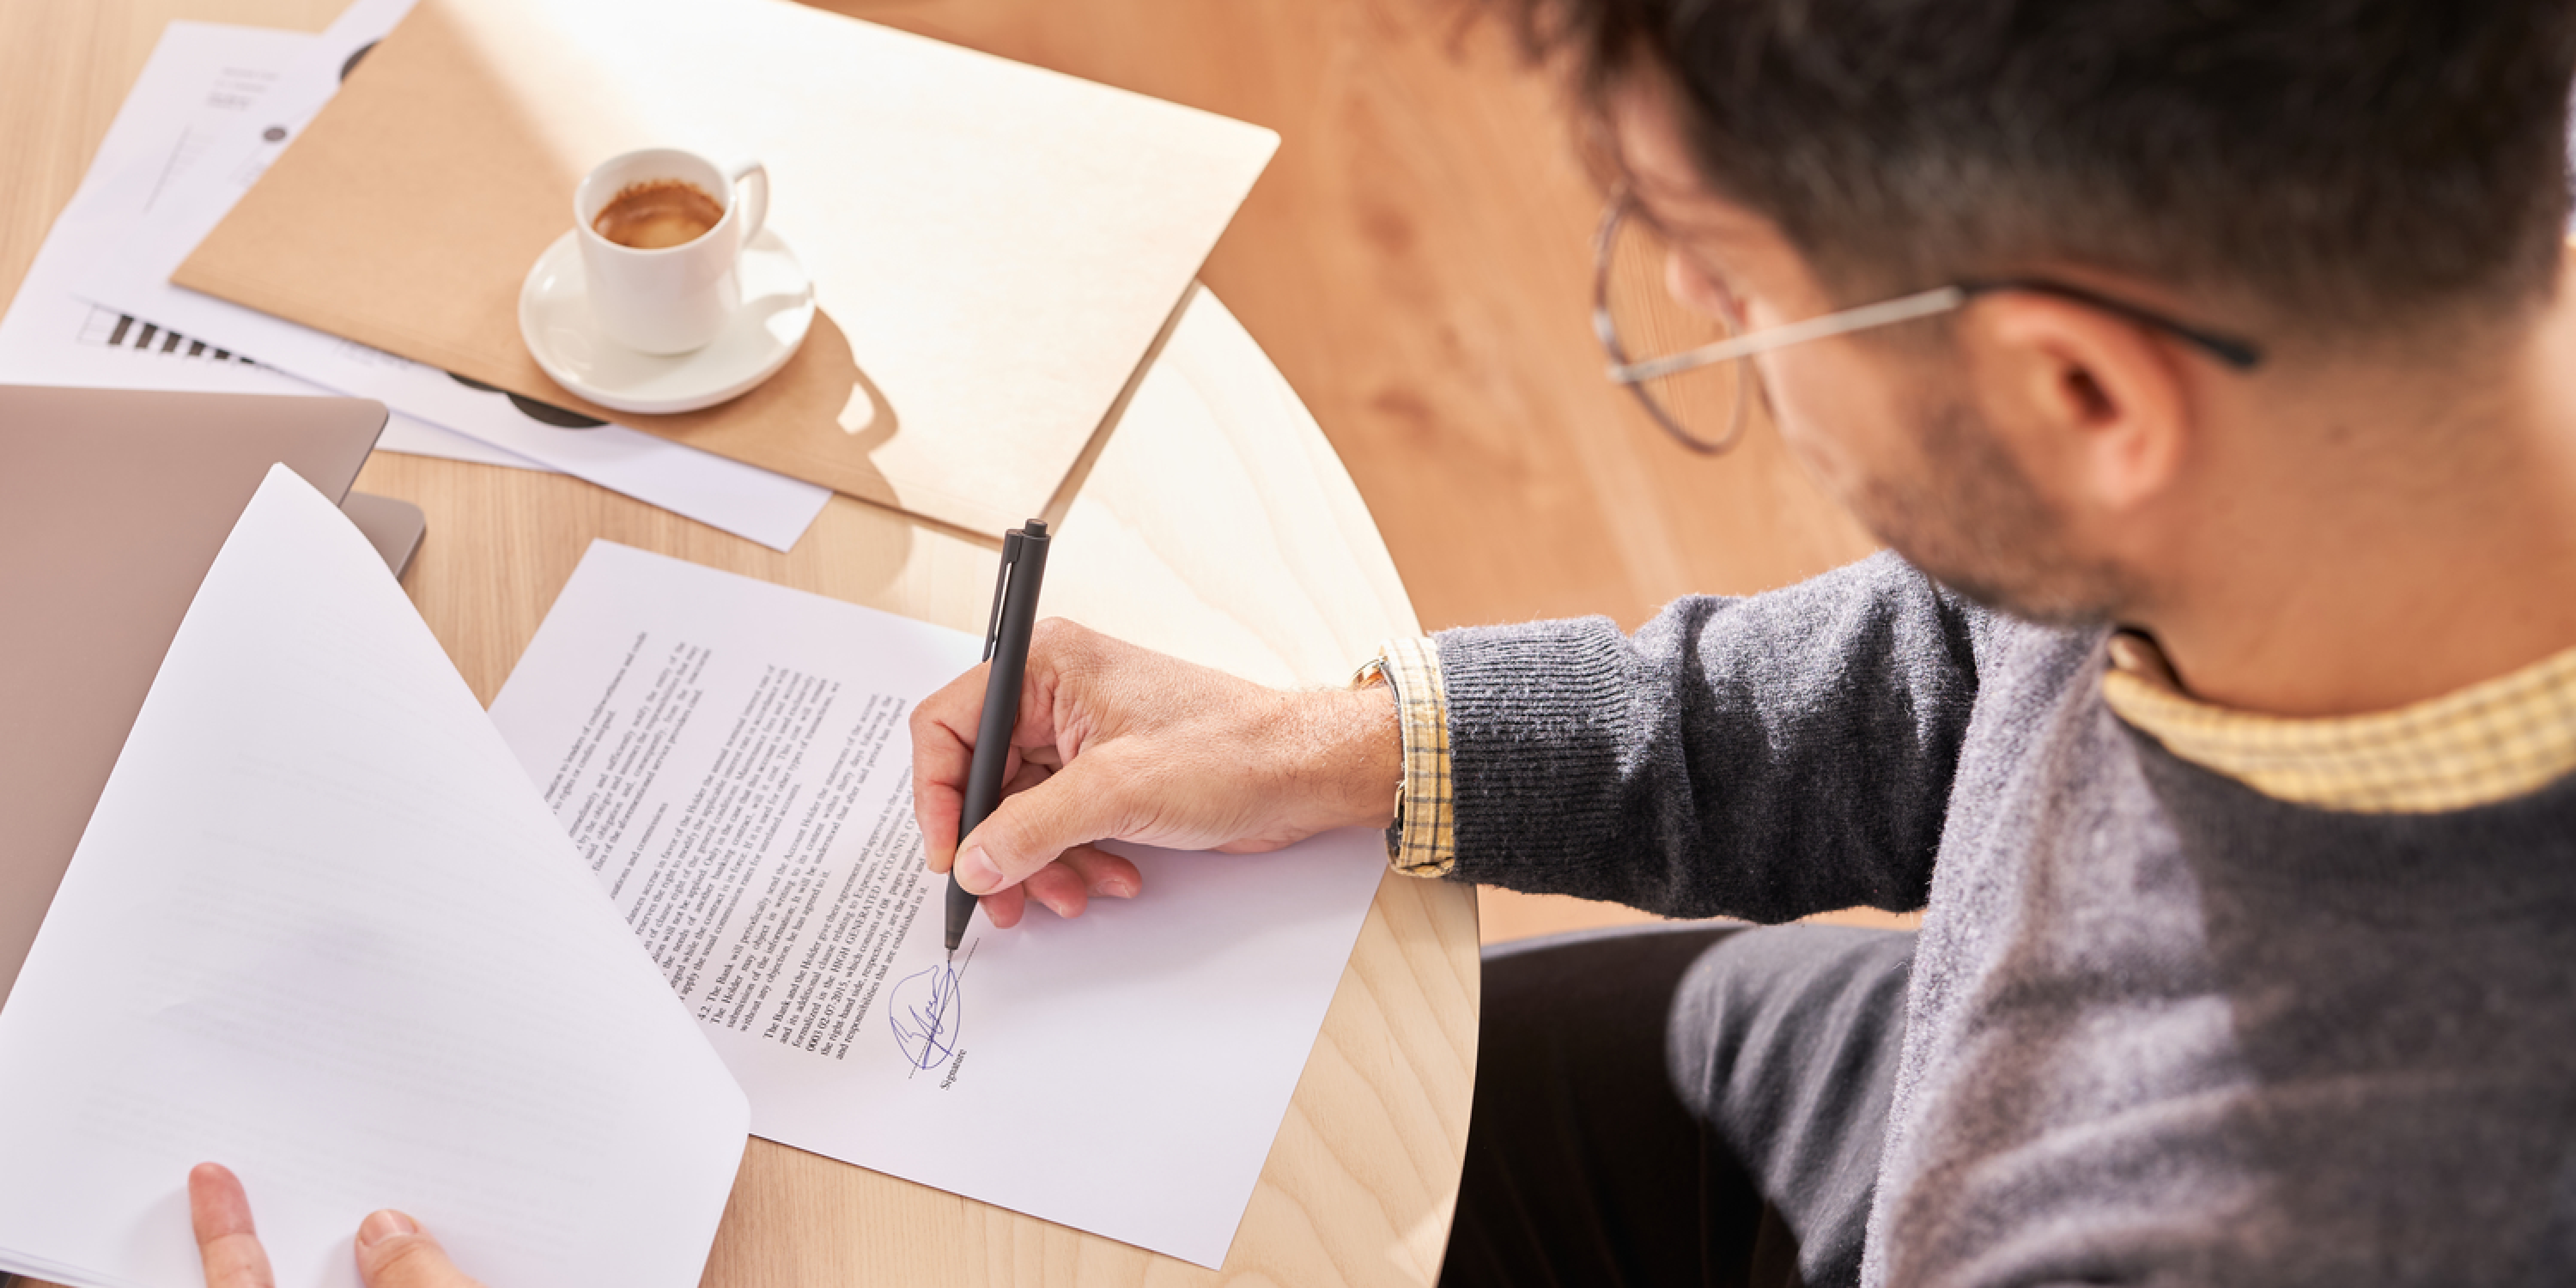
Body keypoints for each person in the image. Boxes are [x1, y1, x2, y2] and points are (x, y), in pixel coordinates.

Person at [195, 0, 2576, 1284]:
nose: (1713, 333)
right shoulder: (2427, 354)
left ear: (2079, 391)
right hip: (1879, 1094)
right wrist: (1348, 738)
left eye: (1724, 284)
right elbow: (1991, 662)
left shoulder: (2297, 1217)